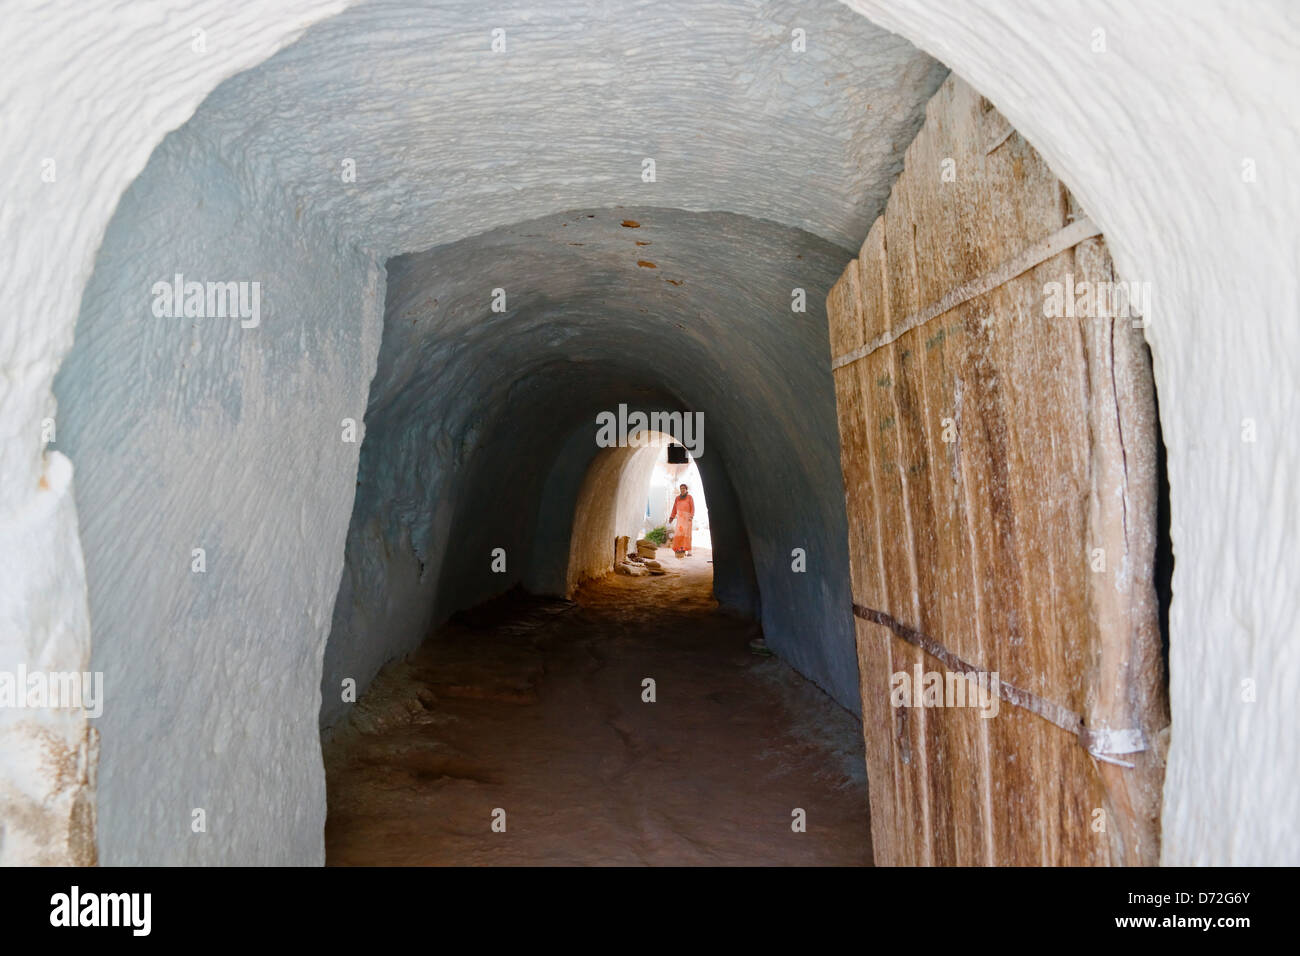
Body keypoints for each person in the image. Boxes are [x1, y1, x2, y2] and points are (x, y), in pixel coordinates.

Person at [668, 483, 694, 558]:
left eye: (684, 488)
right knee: (679, 534)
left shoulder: (690, 497)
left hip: (687, 519)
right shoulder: (677, 498)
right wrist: (671, 517)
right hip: (680, 520)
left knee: (687, 534)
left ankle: (689, 551)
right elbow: (674, 509)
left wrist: (691, 516)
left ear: (686, 489)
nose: (682, 490)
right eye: (681, 488)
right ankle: (680, 549)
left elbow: (693, 508)